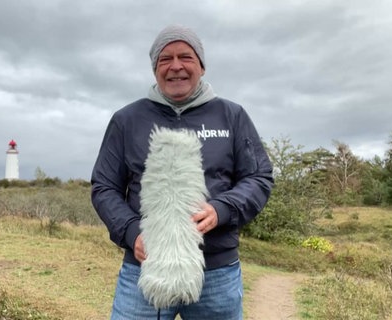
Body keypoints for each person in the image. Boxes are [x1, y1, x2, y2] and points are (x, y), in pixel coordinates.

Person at [91, 24, 274, 320]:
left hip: (217, 274)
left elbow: (259, 177)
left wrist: (222, 208)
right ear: (155, 69)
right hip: (144, 271)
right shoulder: (127, 120)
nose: (176, 66)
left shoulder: (232, 116)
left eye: (186, 57)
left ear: (201, 66)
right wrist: (131, 231)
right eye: (165, 59)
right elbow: (104, 186)